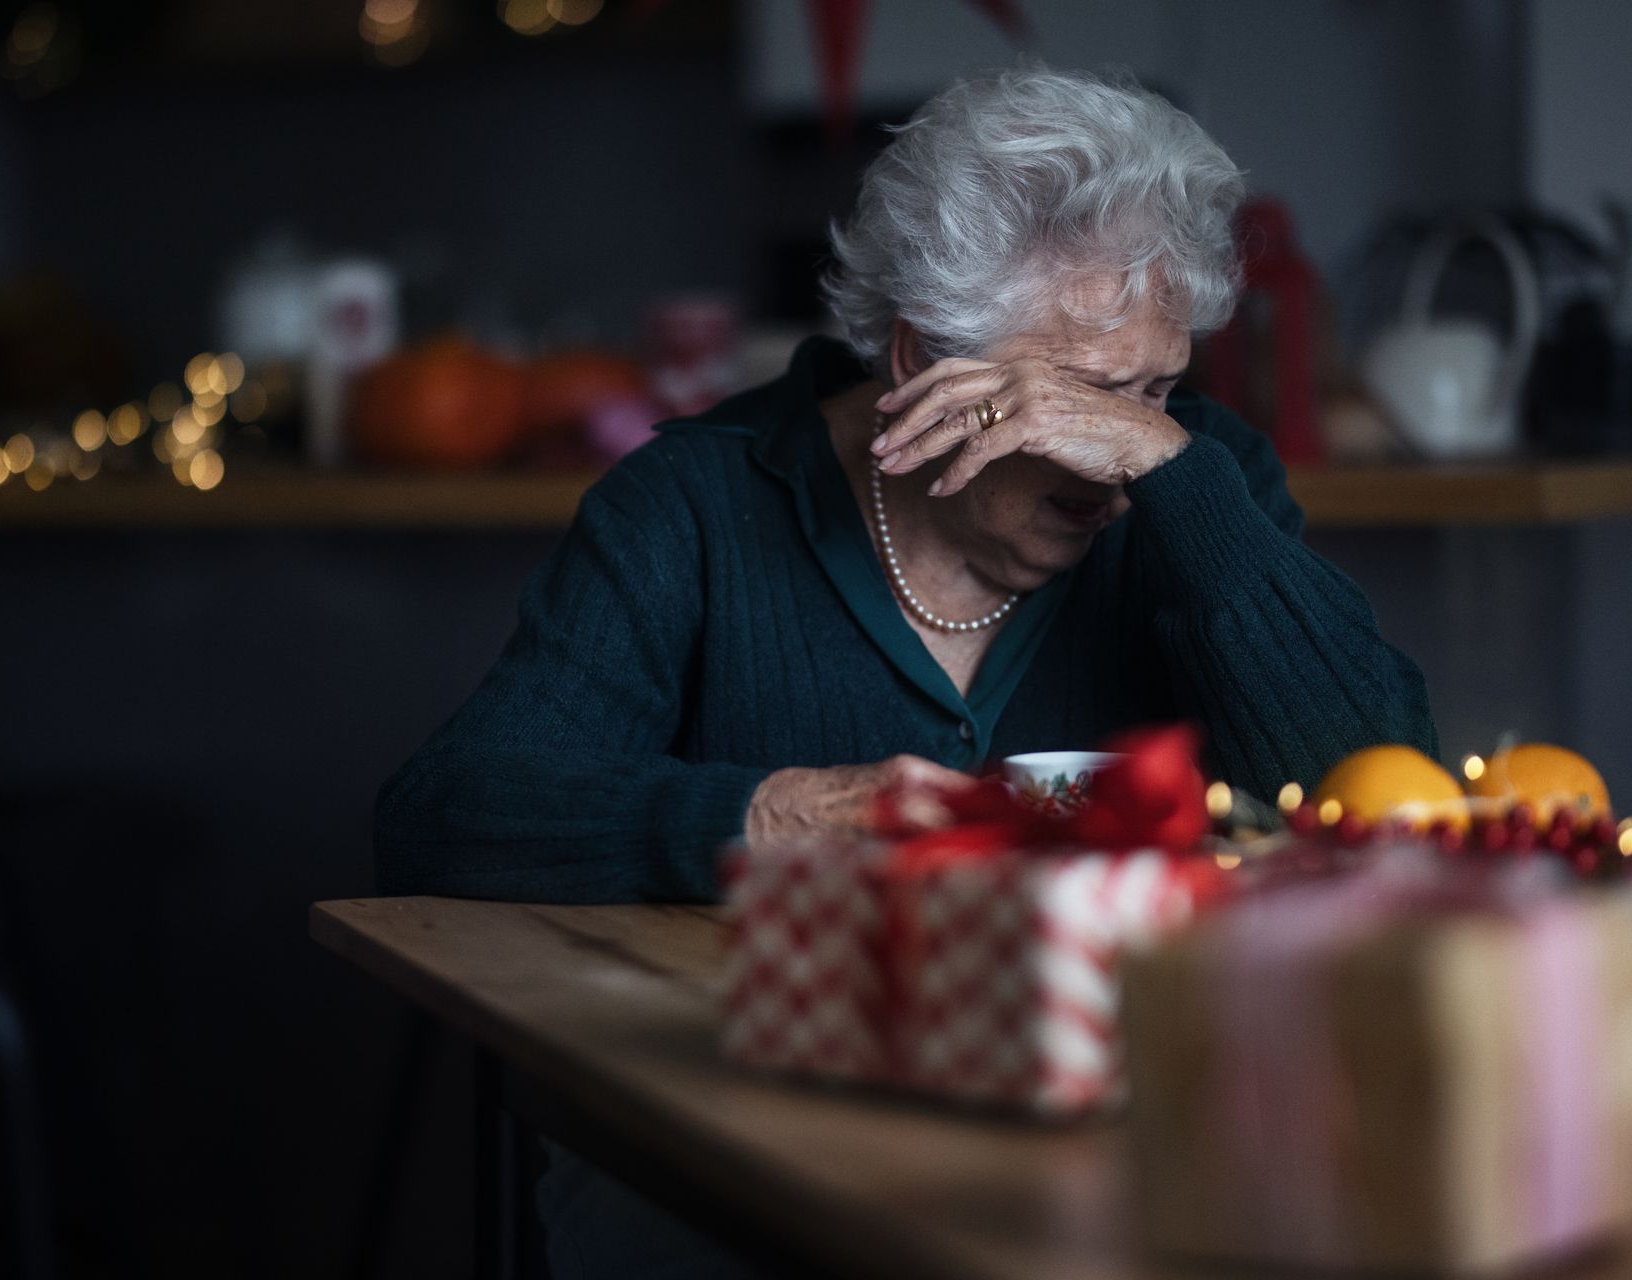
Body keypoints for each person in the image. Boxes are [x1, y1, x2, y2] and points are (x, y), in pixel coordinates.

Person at [376, 66, 1436, 1277]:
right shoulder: (697, 506)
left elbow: (1383, 785)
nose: (1111, 460)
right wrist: (762, 816)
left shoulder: (1198, 484)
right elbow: (443, 815)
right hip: (733, 1134)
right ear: (920, 356)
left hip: (1127, 1134)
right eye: (1074, 398)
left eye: (1154, 391)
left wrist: (1177, 471)